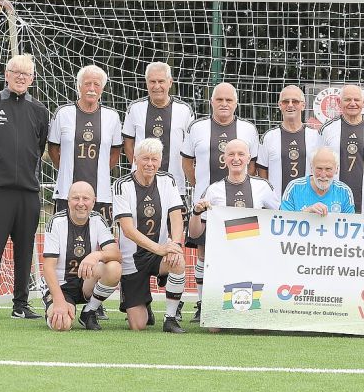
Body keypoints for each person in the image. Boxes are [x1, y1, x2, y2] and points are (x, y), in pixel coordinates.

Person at [0, 54, 50, 320]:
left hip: (28, 192)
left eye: (26, 74)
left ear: (32, 78)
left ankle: (21, 305)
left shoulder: (39, 110)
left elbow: (39, 147)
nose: (20, 77)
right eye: (16, 72)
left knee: (26, 249)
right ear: (6, 74)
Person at [181, 82, 259, 319]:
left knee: (240, 252)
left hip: (238, 204)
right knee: (203, 254)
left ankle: (239, 304)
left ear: (236, 103)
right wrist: (202, 189)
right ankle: (203, 304)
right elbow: (187, 162)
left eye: (229, 100)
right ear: (211, 102)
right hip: (207, 207)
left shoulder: (247, 129)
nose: (224, 104)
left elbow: (252, 165)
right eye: (219, 100)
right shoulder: (197, 127)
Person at [190, 139, 279, 322]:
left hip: (255, 261)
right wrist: (197, 212)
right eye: (231, 154)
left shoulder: (263, 187)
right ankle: (208, 305)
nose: (236, 158)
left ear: (248, 158)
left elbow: (280, 219)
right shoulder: (213, 190)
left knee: (256, 325)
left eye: (240, 154)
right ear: (224, 159)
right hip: (224, 262)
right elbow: (195, 233)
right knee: (215, 326)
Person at [113, 138, 187, 333]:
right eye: (145, 159)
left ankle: (170, 318)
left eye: (154, 159)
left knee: (178, 260)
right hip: (133, 259)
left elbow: (177, 219)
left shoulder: (167, 180)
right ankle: (144, 302)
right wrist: (160, 249)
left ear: (160, 161)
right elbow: (128, 230)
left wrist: (175, 245)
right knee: (138, 325)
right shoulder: (122, 185)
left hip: (159, 254)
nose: (150, 164)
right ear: (135, 159)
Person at [41, 181, 121, 331]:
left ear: (93, 201)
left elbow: (116, 254)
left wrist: (96, 255)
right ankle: (54, 303)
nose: (81, 203)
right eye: (76, 198)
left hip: (86, 282)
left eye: (86, 199)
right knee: (61, 325)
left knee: (114, 268)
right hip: (62, 287)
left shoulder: (98, 219)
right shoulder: (56, 222)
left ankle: (89, 311)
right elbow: (48, 267)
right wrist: (59, 301)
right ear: (68, 200)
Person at [48, 64, 123, 222]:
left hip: (100, 194)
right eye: (87, 83)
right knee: (64, 241)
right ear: (79, 86)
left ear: (102, 88)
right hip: (66, 194)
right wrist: (65, 167)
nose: (91, 88)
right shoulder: (63, 113)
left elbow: (115, 152)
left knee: (102, 243)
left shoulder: (112, 117)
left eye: (96, 84)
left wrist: (101, 168)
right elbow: (53, 149)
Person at [122, 61, 195, 199]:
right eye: (152, 81)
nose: (157, 86)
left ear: (170, 82)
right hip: (139, 183)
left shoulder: (185, 110)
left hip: (175, 185)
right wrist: (143, 166)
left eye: (161, 81)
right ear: (146, 83)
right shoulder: (135, 108)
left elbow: (190, 149)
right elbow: (128, 144)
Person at [319, 84, 364, 214]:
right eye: (347, 99)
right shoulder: (327, 129)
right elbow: (321, 163)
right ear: (339, 102)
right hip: (333, 200)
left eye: (356, 100)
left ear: (363, 102)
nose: (352, 103)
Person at [257, 84, 321, 200]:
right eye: (286, 101)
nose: (290, 105)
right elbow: (262, 172)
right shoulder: (269, 137)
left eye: (295, 101)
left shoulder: (316, 137)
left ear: (303, 105)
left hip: (309, 204)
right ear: (280, 105)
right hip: (276, 207)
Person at [280, 147, 356, 215]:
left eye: (328, 169)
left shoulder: (344, 191)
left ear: (336, 169)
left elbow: (350, 226)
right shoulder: (294, 188)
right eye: (319, 169)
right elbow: (283, 221)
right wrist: (307, 212)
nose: (323, 175)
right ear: (311, 168)